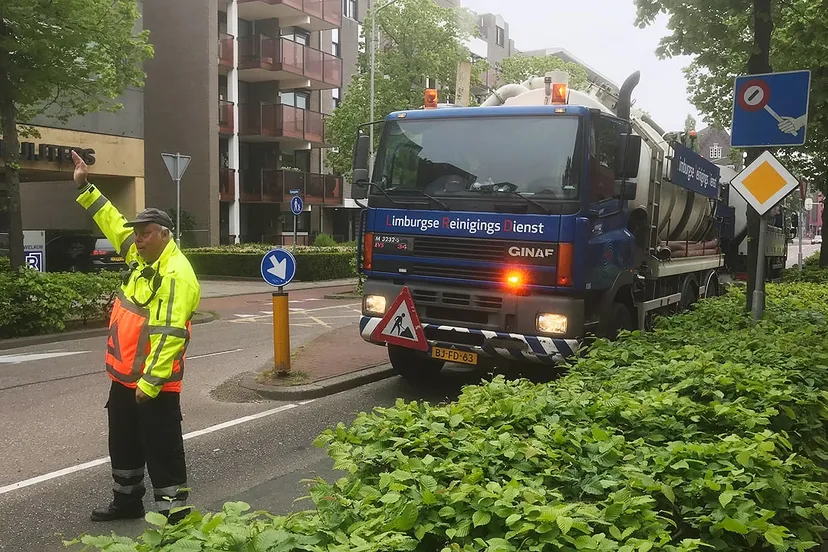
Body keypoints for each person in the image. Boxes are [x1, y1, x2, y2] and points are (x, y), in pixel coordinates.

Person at [71, 151, 201, 523]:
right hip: (124, 377)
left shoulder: (176, 274)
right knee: (124, 444)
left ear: (164, 235)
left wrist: (150, 383)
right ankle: (127, 501)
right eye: (138, 234)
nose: (137, 239)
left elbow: (170, 334)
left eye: (145, 234)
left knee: (162, 448)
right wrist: (85, 186)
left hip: (152, 384)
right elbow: (112, 223)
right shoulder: (141, 257)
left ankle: (174, 514)